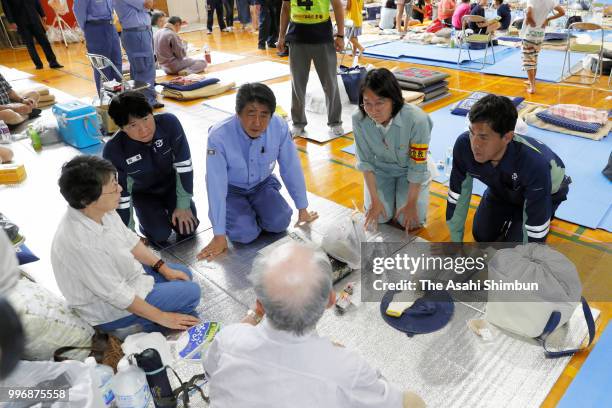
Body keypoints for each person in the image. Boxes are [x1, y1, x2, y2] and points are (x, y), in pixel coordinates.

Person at [203, 242, 426, 408]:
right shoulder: (346, 368)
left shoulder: (228, 340)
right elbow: (389, 401)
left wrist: (249, 319)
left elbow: (210, 371)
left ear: (260, 304)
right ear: (331, 300)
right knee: (412, 401)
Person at [51, 155, 201, 334]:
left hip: (127, 276)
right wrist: (164, 317)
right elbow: (117, 294)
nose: (120, 189)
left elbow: (130, 240)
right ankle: (141, 324)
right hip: (109, 308)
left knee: (183, 274)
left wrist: (163, 268)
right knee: (191, 293)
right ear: (87, 199)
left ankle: (154, 312)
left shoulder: (100, 209)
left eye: (117, 182)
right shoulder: (80, 242)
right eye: (113, 187)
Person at [198, 83, 318, 260]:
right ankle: (243, 216)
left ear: (271, 115)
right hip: (231, 191)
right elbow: (216, 185)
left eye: (264, 115)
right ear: (238, 114)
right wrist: (219, 235)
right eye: (251, 114)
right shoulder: (218, 136)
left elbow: (291, 166)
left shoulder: (279, 126)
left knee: (281, 221)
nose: (257, 122)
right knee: (244, 234)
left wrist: (302, 208)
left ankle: (255, 211)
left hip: (262, 185)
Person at [446, 95, 570, 243]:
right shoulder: (463, 146)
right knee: (482, 236)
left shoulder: (534, 164)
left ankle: (545, 214)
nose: (475, 144)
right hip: (502, 190)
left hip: (545, 193)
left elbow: (536, 230)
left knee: (516, 253)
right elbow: (457, 196)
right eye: (472, 133)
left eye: (483, 137)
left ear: (507, 137)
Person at [103, 91, 199, 245]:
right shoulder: (114, 150)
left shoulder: (169, 123)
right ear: (122, 128)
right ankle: (148, 222)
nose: (144, 129)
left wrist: (183, 204)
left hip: (171, 186)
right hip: (143, 195)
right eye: (133, 125)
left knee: (187, 228)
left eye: (146, 119)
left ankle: (173, 208)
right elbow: (121, 196)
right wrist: (129, 233)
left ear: (152, 113)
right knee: (159, 235)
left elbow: (184, 165)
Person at [352, 68, 433, 232]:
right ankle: (391, 198)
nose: (373, 110)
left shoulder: (418, 119)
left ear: (394, 100)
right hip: (381, 170)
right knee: (379, 216)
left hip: (410, 171)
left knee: (409, 221)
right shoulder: (359, 118)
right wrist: (375, 201)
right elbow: (365, 162)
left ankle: (404, 197)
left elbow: (417, 165)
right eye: (367, 103)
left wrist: (411, 204)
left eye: (380, 103)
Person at [278, 0, 345, 138]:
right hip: (297, 36)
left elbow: (337, 6)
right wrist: (281, 36)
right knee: (297, 84)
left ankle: (335, 121)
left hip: (323, 36)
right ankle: (298, 122)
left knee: (330, 83)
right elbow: (285, 7)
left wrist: (340, 35)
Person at [113, 0, 163, 109]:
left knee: (140, 67)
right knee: (144, 68)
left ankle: (139, 100)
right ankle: (146, 102)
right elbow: (148, 4)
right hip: (137, 33)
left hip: (140, 32)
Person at [73, 0, 123, 94]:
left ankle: (119, 96)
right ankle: (106, 100)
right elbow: (78, 11)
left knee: (117, 62)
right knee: (102, 66)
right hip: (95, 28)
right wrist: (89, 29)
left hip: (110, 25)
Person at [0, 0, 63, 69]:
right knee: (30, 44)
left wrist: (42, 14)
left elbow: (36, 1)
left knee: (45, 41)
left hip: (34, 18)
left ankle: (53, 62)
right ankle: (38, 64)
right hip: (20, 22)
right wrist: (11, 22)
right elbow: (6, 8)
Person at [521, 0, 565, 94]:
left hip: (530, 35)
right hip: (540, 34)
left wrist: (530, 19)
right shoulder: (551, 1)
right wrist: (548, 19)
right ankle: (531, 81)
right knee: (534, 58)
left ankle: (532, 87)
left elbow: (529, 13)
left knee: (528, 61)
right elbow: (562, 12)